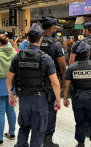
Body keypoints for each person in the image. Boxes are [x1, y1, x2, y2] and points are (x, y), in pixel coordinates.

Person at [6, 23, 61, 147]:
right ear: (41, 39)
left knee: (24, 127)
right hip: (40, 100)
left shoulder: (18, 57)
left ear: (28, 39)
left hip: (24, 99)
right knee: (38, 130)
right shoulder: (45, 58)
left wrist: (11, 95)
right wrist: (58, 99)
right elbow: (55, 82)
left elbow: (9, 80)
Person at [40, 15, 66, 147]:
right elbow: (62, 66)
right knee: (51, 109)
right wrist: (64, 82)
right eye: (55, 27)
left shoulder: (35, 41)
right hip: (51, 83)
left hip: (35, 83)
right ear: (51, 28)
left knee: (38, 109)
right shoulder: (56, 44)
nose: (56, 29)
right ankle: (47, 140)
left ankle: (37, 137)